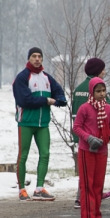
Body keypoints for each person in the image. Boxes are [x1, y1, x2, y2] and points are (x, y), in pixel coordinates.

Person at [13, 47, 67, 201]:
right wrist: (47, 101)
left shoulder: (47, 78)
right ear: (29, 58)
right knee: (23, 156)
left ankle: (39, 189)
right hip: (26, 123)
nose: (37, 59)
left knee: (45, 154)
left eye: (39, 56)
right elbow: (25, 100)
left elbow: (60, 93)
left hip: (43, 124)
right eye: (34, 56)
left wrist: (60, 99)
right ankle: (22, 189)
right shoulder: (22, 78)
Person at [73, 77, 110, 218]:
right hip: (87, 150)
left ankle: (97, 214)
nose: (102, 94)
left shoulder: (108, 108)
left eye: (103, 90)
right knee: (87, 183)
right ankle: (87, 215)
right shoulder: (84, 108)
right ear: (91, 92)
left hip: (102, 149)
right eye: (98, 91)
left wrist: (107, 136)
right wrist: (89, 138)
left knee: (98, 183)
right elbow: (77, 127)